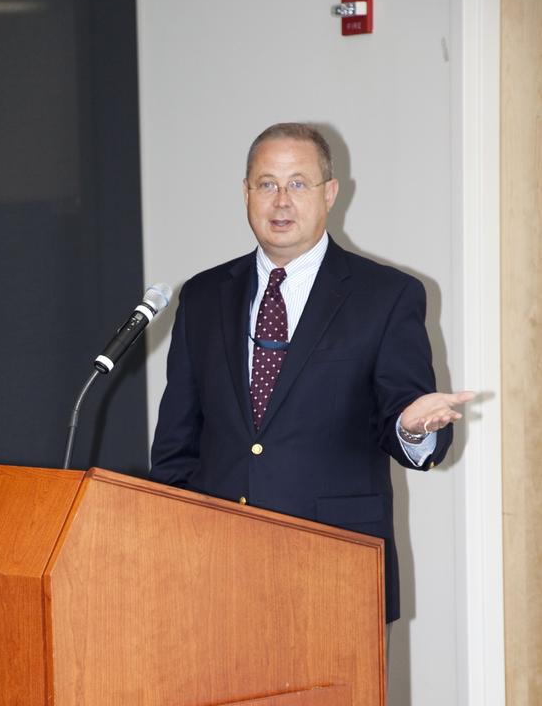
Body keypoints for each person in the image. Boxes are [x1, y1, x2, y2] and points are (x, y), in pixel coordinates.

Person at [149, 123, 473, 621]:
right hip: (215, 573)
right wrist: (173, 547)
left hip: (336, 570)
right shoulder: (204, 296)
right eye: (267, 184)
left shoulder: (386, 296)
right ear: (246, 193)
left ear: (330, 193)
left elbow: (404, 413)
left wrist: (411, 429)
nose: (281, 201)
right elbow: (176, 445)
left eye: (298, 183)